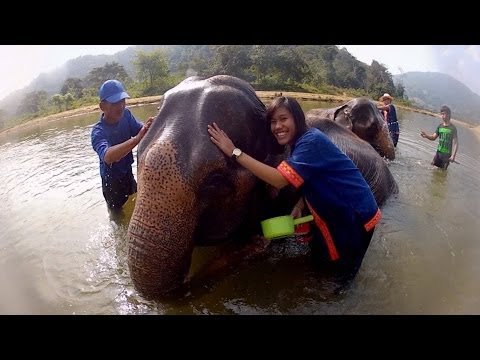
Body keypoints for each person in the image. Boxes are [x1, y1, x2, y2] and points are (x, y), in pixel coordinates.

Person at [207, 96, 382, 281]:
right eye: (273, 122)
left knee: (337, 276)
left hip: (353, 216)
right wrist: (300, 203)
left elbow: (279, 180)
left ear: (297, 118)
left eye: (283, 119)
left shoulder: (311, 142)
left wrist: (235, 152)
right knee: (321, 265)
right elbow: (314, 175)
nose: (277, 127)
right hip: (334, 210)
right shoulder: (298, 143)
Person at [91, 79, 154, 210]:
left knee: (137, 205)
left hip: (128, 174)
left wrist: (153, 125)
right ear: (102, 106)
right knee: (117, 218)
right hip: (112, 183)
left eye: (122, 101)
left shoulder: (126, 115)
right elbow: (108, 156)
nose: (120, 106)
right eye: (115, 103)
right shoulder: (98, 132)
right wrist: (136, 139)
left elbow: (142, 132)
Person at [420, 105, 458, 170]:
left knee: (442, 173)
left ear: (448, 114)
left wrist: (453, 156)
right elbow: (433, 137)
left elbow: (456, 143)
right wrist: (426, 136)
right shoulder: (440, 126)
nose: (442, 116)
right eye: (441, 114)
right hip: (438, 153)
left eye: (444, 114)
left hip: (447, 156)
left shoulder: (453, 128)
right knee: (432, 169)